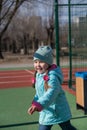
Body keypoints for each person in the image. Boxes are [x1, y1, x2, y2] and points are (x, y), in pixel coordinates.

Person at [27, 46, 77, 130]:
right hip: (47, 110)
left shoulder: (52, 77)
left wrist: (39, 104)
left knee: (67, 127)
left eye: (41, 62)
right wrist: (35, 103)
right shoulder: (39, 75)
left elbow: (51, 92)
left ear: (48, 63)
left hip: (58, 109)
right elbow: (40, 93)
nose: (37, 65)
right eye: (35, 62)